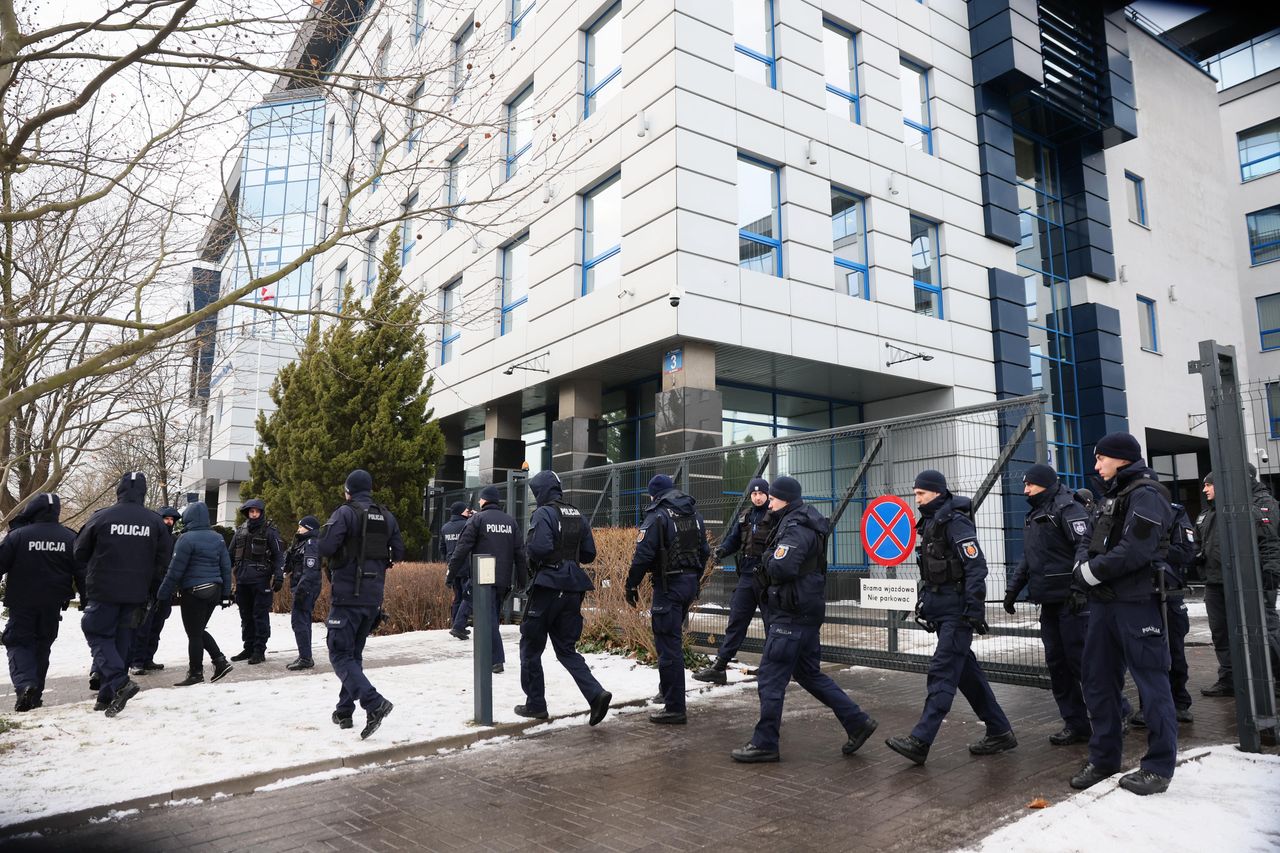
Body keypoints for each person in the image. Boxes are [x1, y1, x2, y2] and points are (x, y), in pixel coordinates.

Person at [731, 476, 878, 763]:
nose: (768, 500)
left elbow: (783, 565)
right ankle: (857, 722)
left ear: (785, 498)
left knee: (771, 678)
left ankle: (765, 743)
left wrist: (767, 560)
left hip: (792, 614)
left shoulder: (796, 527)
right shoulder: (793, 521)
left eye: (773, 497)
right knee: (809, 674)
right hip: (802, 611)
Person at [1070, 432, 1177, 796]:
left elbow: (1136, 549)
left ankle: (1158, 768)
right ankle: (1104, 759)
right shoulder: (1111, 496)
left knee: (1151, 684)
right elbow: (1088, 540)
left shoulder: (1147, 495)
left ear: (1120, 459)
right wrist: (1082, 565)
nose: (1096, 466)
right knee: (1098, 681)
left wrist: (1090, 572)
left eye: (1101, 459)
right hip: (1103, 604)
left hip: (1136, 603)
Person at [886, 469, 1016, 765]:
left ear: (937, 492)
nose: (915, 498)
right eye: (915, 493)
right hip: (943, 607)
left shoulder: (955, 523)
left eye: (920, 493)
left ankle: (921, 740)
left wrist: (974, 609)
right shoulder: (931, 523)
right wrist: (927, 604)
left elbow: (976, 566)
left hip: (958, 612)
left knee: (942, 671)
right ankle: (1000, 731)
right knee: (967, 675)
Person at [1003, 464, 1093, 745]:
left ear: (1044, 484)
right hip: (1048, 601)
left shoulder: (1069, 508)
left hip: (1072, 601)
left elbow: (1085, 547)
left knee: (1083, 663)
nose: (1025, 490)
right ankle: (1075, 723)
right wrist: (1012, 591)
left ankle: (1117, 714)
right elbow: (1029, 558)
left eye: (1030, 485)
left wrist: (1080, 587)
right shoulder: (1035, 514)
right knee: (1057, 664)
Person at [514, 470, 612, 725]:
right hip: (573, 588)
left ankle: (535, 705)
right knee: (567, 650)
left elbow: (540, 547)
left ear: (540, 491)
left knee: (531, 647)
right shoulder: (577, 513)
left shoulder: (543, 513)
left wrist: (533, 555)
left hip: (547, 588)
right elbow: (589, 553)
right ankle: (596, 694)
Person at [74, 472, 172, 716]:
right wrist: (151, 589)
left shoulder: (101, 517)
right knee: (122, 643)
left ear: (119, 490)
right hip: (137, 594)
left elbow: (79, 552)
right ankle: (106, 697)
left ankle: (119, 682)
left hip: (103, 591)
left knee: (96, 632)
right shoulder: (155, 521)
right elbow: (163, 561)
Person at [318, 469, 403, 738]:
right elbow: (398, 552)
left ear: (349, 490)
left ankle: (374, 703)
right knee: (352, 655)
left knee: (339, 654)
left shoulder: (345, 512)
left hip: (346, 597)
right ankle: (344, 711)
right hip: (373, 599)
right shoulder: (387, 516)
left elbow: (326, 547)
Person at [625, 474, 710, 725]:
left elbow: (643, 555)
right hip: (688, 583)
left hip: (668, 585)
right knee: (669, 641)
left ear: (654, 494)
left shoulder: (658, 515)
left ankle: (675, 707)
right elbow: (704, 552)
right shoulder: (694, 515)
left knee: (668, 645)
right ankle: (666, 690)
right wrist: (694, 580)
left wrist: (631, 585)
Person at [1198, 467, 1280, 697]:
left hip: (1251, 581)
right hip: (1216, 581)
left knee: (1266, 630)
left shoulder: (1258, 505)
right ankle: (1230, 679)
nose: (1204, 489)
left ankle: (1275, 676)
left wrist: (1269, 575)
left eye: (1209, 484)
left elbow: (1269, 542)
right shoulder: (1211, 512)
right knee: (1222, 632)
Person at [0, 493, 84, 711]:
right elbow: (83, 572)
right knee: (42, 645)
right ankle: (35, 695)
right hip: (53, 603)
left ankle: (25, 684)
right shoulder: (70, 537)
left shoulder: (17, 537)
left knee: (18, 642)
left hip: (22, 601)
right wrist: (88, 598)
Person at [694, 477, 774, 685]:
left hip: (768, 578)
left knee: (772, 623)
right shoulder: (745, 516)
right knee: (736, 621)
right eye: (754, 494)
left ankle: (771, 667)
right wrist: (722, 550)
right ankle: (719, 667)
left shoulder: (775, 516)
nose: (757, 497)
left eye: (761, 494)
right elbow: (733, 539)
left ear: (767, 494)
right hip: (747, 577)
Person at [447, 485, 527, 674]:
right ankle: (490, 656)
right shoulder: (510, 521)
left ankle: (496, 659)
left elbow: (462, 548)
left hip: (483, 578)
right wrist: (523, 581)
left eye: (480, 499)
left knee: (489, 619)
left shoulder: (478, 519)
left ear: (484, 500)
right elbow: (520, 553)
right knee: (491, 617)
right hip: (503, 579)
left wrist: (451, 573)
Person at [1131, 501, 1196, 727]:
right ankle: (1147, 706)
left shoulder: (1175, 513)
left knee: (1174, 649)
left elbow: (1187, 551)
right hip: (1141, 592)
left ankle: (1179, 703)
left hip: (1169, 591)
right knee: (1145, 652)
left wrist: (1153, 549)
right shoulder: (1131, 510)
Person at [155, 502, 234, 686]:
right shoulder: (218, 538)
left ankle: (196, 672)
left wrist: (162, 595)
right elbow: (225, 566)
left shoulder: (186, 539)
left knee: (194, 634)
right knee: (198, 631)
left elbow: (175, 571)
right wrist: (225, 594)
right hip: (214, 590)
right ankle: (219, 662)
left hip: (194, 592)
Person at [228, 498, 284, 665]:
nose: (253, 514)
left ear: (261, 512)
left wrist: (279, 575)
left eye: (256, 511)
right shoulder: (240, 531)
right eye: (251, 512)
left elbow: (279, 555)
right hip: (243, 580)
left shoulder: (269, 531)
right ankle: (248, 647)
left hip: (260, 580)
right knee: (245, 616)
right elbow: (230, 555)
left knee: (259, 615)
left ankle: (259, 650)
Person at [129, 506, 181, 675]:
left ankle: (148, 658)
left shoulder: (174, 540)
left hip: (166, 588)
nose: (169, 522)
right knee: (143, 626)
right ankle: (136, 661)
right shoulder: (150, 538)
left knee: (157, 625)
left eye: (172, 520)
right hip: (149, 589)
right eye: (166, 519)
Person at [284, 515, 322, 671]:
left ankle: (306, 658)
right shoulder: (302, 543)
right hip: (303, 587)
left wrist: (301, 590)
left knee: (299, 622)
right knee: (303, 621)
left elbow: (310, 570)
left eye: (301, 527)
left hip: (306, 588)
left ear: (309, 529)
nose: (298, 529)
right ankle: (305, 655)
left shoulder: (311, 544)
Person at [439, 502, 471, 636]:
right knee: (468, 596)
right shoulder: (467, 525)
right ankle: (460, 624)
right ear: (461, 512)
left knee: (457, 597)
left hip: (452, 567)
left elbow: (442, 548)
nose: (468, 512)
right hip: (466, 566)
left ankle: (455, 624)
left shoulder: (445, 527)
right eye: (466, 510)